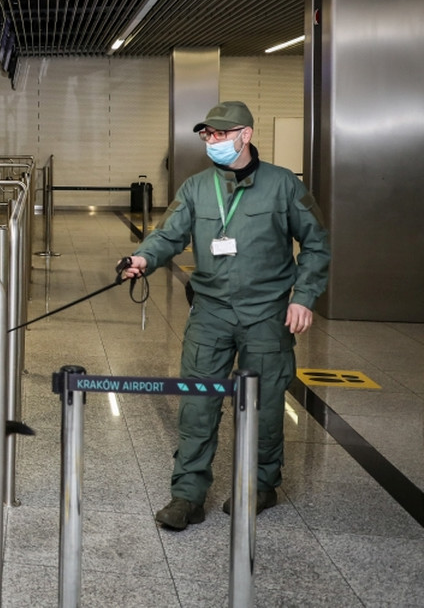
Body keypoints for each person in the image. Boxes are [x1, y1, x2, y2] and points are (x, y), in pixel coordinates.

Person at [118, 101, 331, 530]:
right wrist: (142, 258)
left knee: (265, 406)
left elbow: (316, 244)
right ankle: (188, 495)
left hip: (267, 315)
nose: (211, 141)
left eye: (219, 133)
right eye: (207, 135)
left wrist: (303, 297)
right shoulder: (197, 188)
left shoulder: (283, 185)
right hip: (211, 313)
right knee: (197, 404)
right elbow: (168, 235)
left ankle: (261, 484)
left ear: (245, 135)